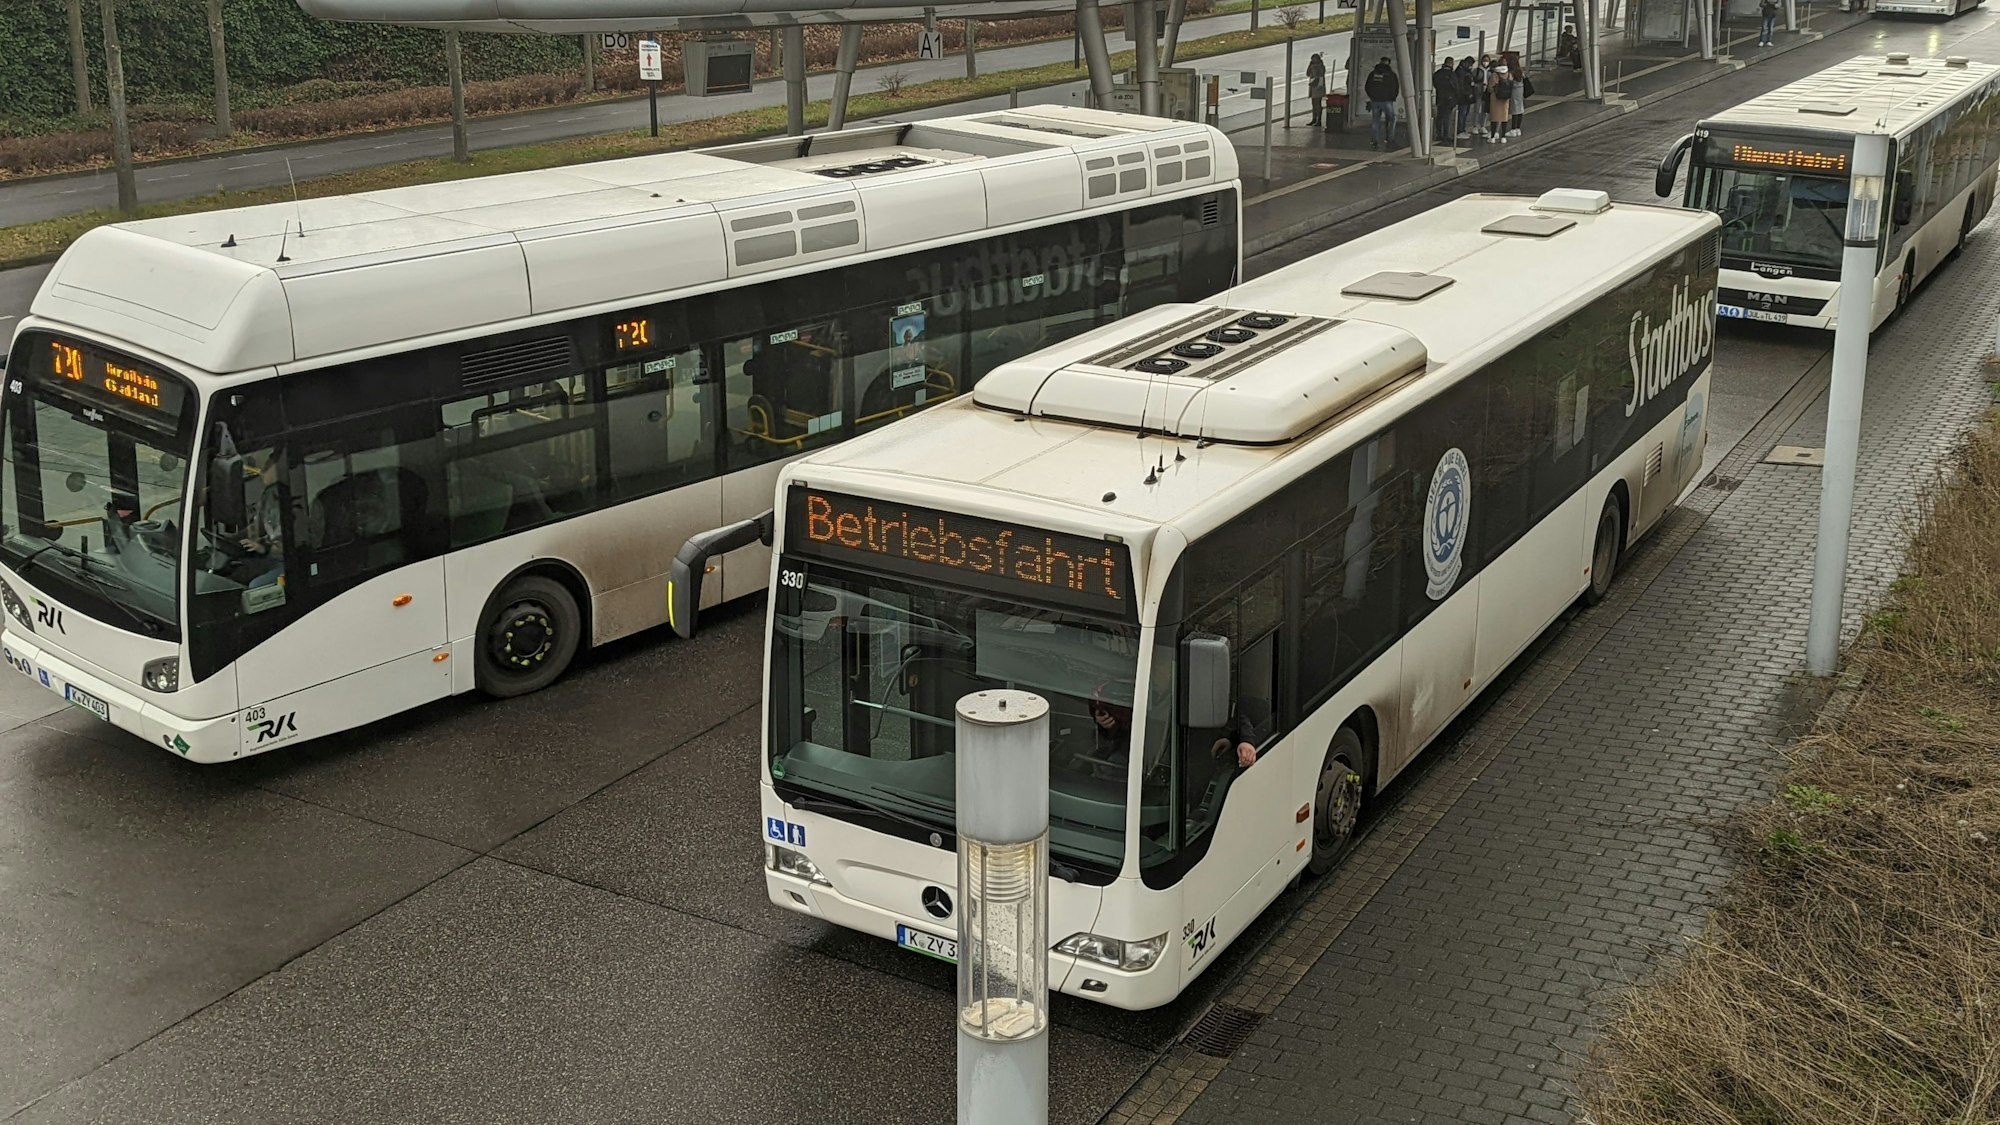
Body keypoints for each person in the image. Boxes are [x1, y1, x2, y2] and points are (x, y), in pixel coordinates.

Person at [1364, 57, 1400, 150]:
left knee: (1376, 120)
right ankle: (1390, 138)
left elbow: (1367, 86)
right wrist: (1392, 97)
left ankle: (1375, 139)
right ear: (1388, 63)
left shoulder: (1373, 74)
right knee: (1392, 119)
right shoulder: (1391, 75)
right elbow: (1395, 87)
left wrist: (1372, 96)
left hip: (1375, 100)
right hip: (1387, 101)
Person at [1432, 57, 1461, 145]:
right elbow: (1456, 87)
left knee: (1440, 116)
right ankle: (1446, 135)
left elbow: (1435, 84)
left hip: (1440, 97)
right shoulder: (1451, 74)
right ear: (1451, 64)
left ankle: (1438, 134)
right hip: (1450, 98)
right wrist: (1457, 97)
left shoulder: (1438, 73)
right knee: (1447, 117)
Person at [1486, 63, 1514, 143]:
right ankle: (1503, 137)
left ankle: (1493, 137)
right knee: (1504, 118)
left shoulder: (1495, 75)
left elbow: (1490, 88)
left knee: (1494, 118)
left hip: (1495, 98)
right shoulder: (1509, 74)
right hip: (1505, 99)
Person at [1454, 56, 1479, 138]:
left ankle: (1463, 129)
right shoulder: (1461, 72)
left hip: (1468, 96)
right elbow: (1461, 85)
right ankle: (1460, 130)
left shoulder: (1465, 70)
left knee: (1465, 113)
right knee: (1462, 113)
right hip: (1463, 97)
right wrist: (1467, 93)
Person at [1307, 52, 1328, 127]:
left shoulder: (1321, 67)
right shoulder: (1311, 66)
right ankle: (1314, 118)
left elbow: (1320, 76)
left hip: (1318, 85)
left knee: (1317, 103)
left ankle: (1318, 120)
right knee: (1313, 103)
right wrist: (1310, 66)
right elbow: (1307, 73)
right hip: (1313, 85)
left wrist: (1315, 69)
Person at [1509, 63, 1528, 137]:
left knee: (1515, 110)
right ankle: (1518, 128)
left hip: (1514, 91)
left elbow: (1510, 81)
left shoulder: (1511, 73)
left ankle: (1513, 129)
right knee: (1520, 109)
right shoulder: (1520, 71)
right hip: (1521, 90)